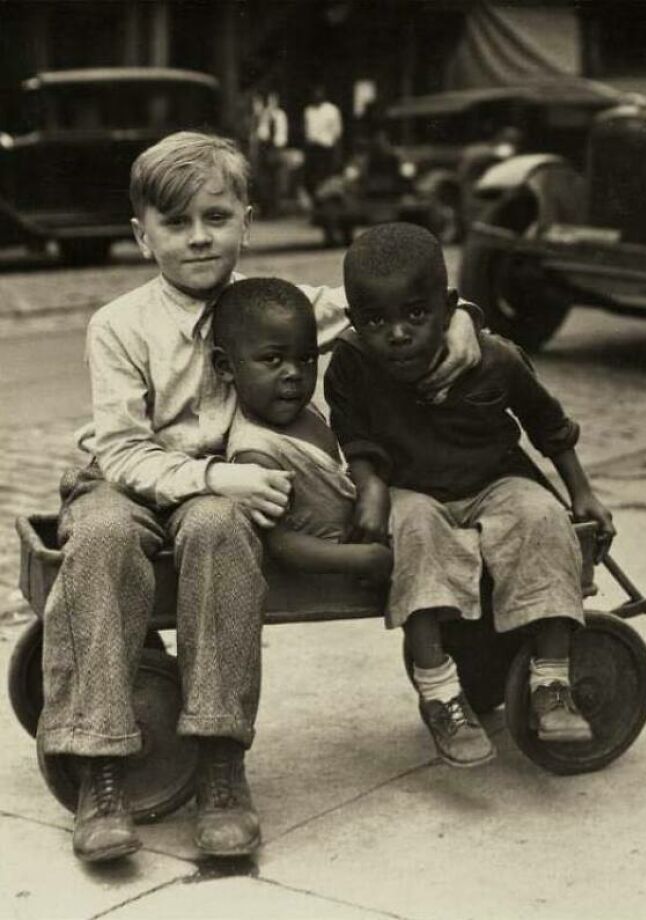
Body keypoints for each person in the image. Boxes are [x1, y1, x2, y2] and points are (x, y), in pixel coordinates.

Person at [40, 133, 482, 864]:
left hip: (219, 498)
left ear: (246, 223)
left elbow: (384, 303)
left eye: (216, 218)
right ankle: (100, 769)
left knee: (220, 529)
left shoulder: (281, 306)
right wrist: (215, 477)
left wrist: (461, 315)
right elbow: (120, 450)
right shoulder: (119, 326)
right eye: (176, 223)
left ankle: (220, 764)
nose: (198, 237)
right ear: (142, 236)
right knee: (102, 537)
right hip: (126, 481)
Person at [325, 222, 616, 769]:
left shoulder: (495, 357)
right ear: (353, 321)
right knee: (413, 527)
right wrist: (369, 485)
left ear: (449, 307)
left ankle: (552, 683)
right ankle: (439, 692)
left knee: (540, 515)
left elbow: (549, 426)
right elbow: (353, 433)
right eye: (376, 321)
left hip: (492, 482)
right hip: (412, 489)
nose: (397, 334)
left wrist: (582, 492)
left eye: (416, 314)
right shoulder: (352, 366)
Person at [212, 276, 392, 582]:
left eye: (306, 358)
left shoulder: (299, 407)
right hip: (330, 574)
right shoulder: (255, 453)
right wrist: (365, 559)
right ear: (226, 367)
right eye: (272, 359)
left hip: (367, 538)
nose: (294, 373)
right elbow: (281, 544)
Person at [303, 84, 343, 200]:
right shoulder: (308, 111)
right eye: (314, 93)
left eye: (319, 93)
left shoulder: (332, 110)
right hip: (312, 147)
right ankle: (316, 199)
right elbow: (306, 130)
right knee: (312, 175)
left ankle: (325, 199)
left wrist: (337, 152)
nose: (317, 95)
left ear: (324, 94)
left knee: (325, 175)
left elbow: (337, 133)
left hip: (326, 148)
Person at [254, 92, 288, 217]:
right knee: (264, 180)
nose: (270, 104)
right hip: (264, 148)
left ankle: (275, 209)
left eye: (273, 101)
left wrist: (277, 148)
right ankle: (266, 208)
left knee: (275, 180)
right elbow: (260, 133)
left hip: (275, 148)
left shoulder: (280, 115)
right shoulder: (263, 116)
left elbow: (282, 134)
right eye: (269, 101)